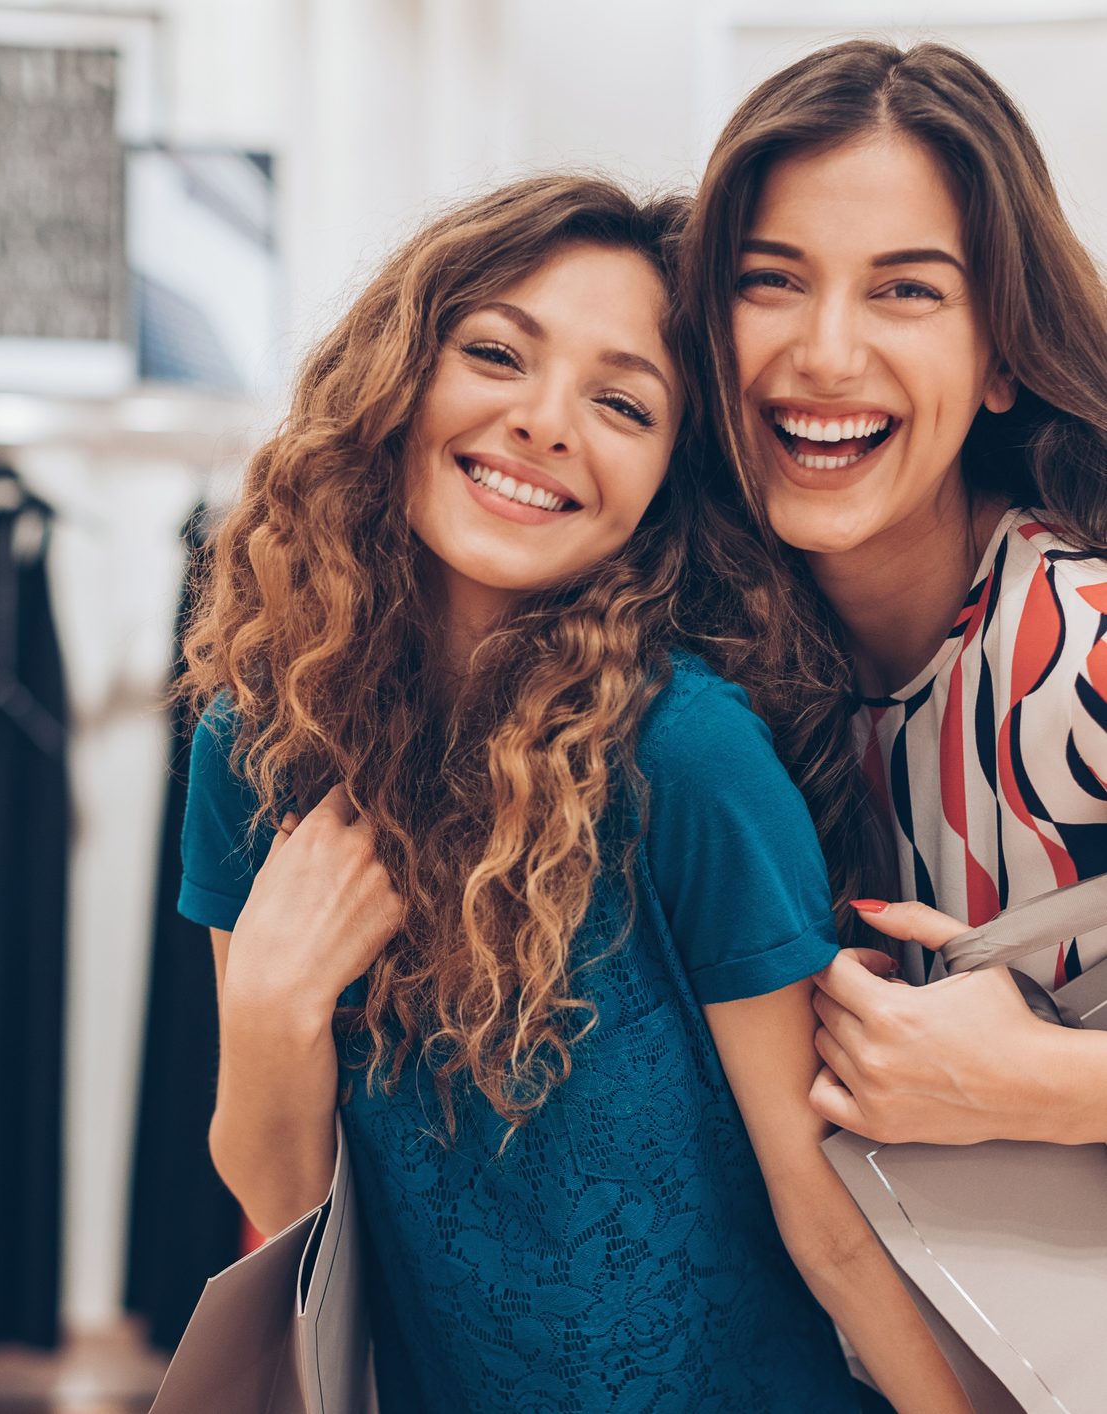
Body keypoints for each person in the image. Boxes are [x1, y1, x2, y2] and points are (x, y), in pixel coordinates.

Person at [175, 175, 967, 1412]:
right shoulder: (261, 743)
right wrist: (274, 1000)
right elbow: (282, 1206)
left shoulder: (686, 756)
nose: (547, 423)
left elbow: (829, 1222)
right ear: (395, 376)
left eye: (621, 402)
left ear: (667, 478)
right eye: (496, 352)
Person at [682, 38, 1107, 1146]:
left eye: (905, 289)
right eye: (769, 280)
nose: (826, 352)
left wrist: (1048, 1082)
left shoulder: (1083, 645)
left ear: (1001, 355)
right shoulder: (702, 660)